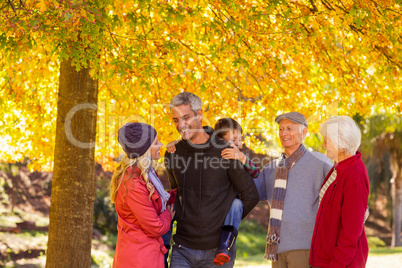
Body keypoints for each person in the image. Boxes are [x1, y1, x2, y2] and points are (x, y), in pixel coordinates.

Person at [164, 92, 259, 268]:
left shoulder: (225, 151)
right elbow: (177, 193)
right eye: (176, 120)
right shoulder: (173, 153)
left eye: (186, 118)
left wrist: (226, 222)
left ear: (200, 114)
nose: (181, 125)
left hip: (218, 252)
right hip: (182, 248)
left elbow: (250, 195)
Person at [254, 112, 333, 268]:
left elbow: (340, 192)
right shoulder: (271, 168)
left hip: (305, 247)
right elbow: (252, 193)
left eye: (289, 128)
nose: (284, 133)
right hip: (276, 250)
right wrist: (240, 162)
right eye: (281, 129)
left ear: (304, 132)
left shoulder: (319, 162)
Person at [111, 122, 175, 268]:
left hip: (147, 253)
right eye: (156, 142)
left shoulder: (147, 174)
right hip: (138, 258)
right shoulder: (133, 184)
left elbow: (158, 200)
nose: (161, 145)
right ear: (144, 149)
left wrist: (182, 192)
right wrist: (168, 216)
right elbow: (156, 227)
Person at [309, 116, 369, 267]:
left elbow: (350, 232)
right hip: (325, 259)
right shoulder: (339, 168)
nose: (323, 145)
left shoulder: (354, 173)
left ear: (340, 143)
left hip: (340, 263)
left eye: (326, 141)